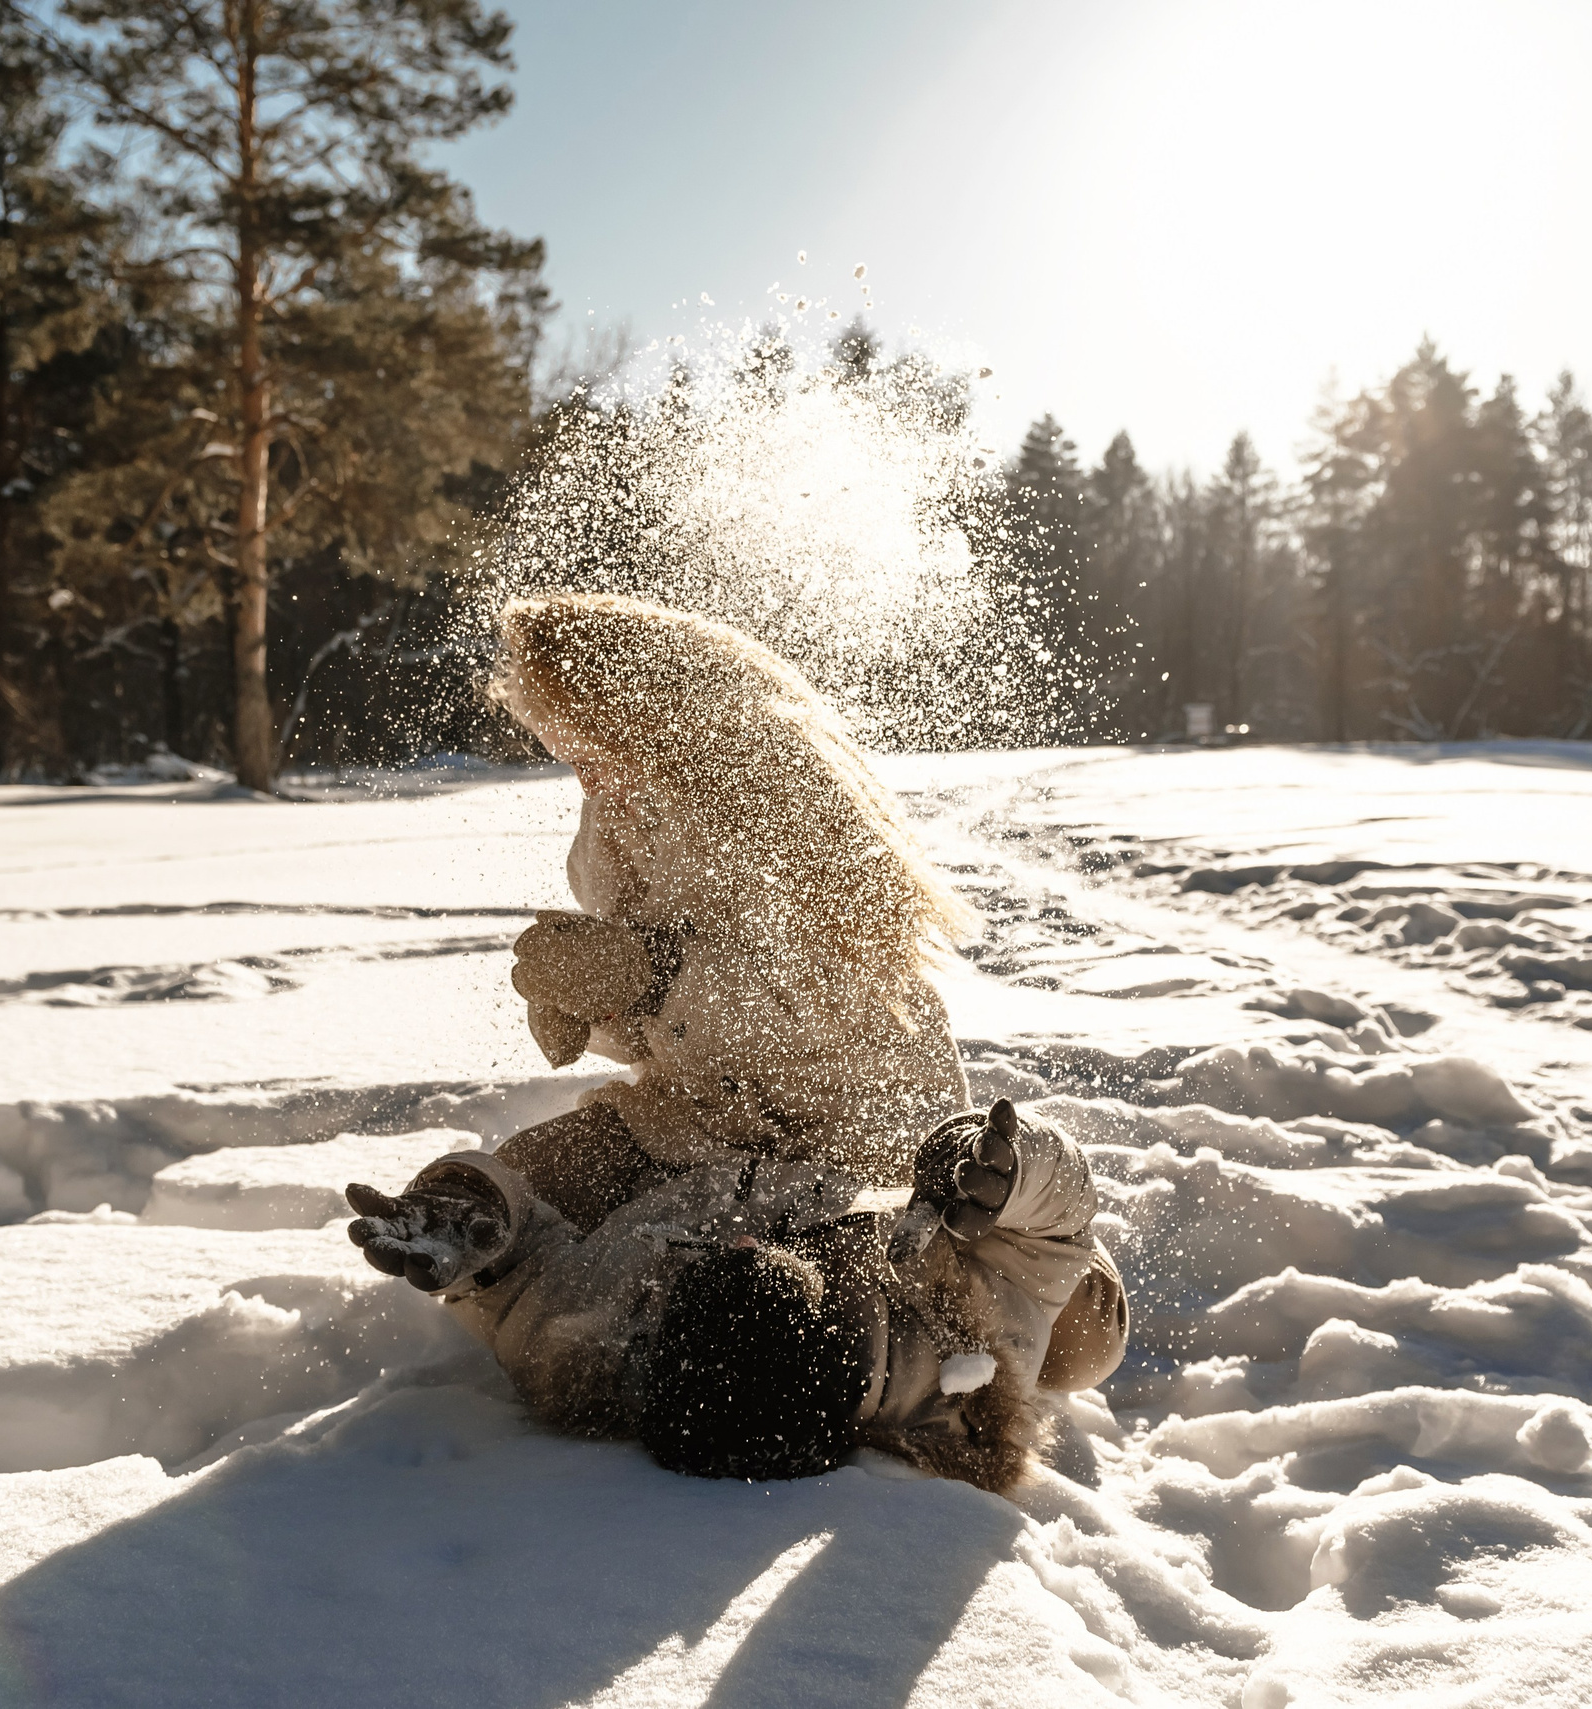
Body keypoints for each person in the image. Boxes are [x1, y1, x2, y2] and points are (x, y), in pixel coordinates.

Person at [484, 593, 977, 1229]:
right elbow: (653, 1027)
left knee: (768, 1287)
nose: (586, 785)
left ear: (631, 717)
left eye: (589, 756)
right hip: (702, 1117)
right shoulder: (613, 824)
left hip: (854, 1127)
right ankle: (457, 1238)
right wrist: (587, 999)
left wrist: (650, 975)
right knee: (529, 1179)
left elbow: (830, 999)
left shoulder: (773, 793)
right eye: (567, 764)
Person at [345, 1100, 1129, 1489]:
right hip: (855, 1141)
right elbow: (1063, 1224)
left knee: (567, 1170)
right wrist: (998, 1168)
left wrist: (477, 1220)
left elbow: (523, 1285)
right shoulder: (974, 1330)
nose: (739, 1241)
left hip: (669, 1152)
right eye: (752, 1261)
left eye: (707, 1272)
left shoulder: (618, 1326)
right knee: (1094, 1336)